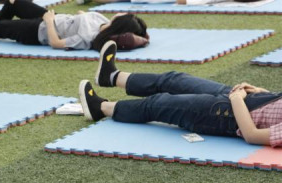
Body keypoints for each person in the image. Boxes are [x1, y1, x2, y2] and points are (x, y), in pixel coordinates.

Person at [79, 40, 282, 147]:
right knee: (174, 79)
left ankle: (101, 108)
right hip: (241, 98)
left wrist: (237, 100)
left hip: (226, 116)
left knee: (159, 104)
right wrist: (257, 91)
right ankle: (112, 76)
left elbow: (252, 135)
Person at [0, 0, 149, 51]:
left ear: (120, 23)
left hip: (40, 32)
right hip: (50, 18)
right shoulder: (102, 21)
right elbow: (82, 16)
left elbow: (56, 43)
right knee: (14, 2)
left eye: (124, 15)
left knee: (4, 28)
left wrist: (48, 22)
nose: (121, 12)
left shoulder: (88, 39)